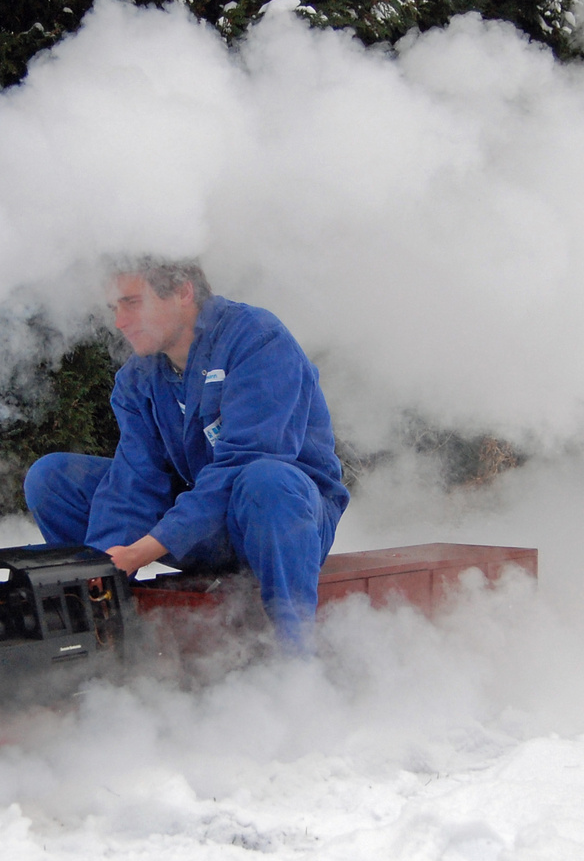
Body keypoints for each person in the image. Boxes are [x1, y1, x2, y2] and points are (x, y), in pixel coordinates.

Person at [24, 259, 349, 651]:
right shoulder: (136, 379)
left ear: (183, 291)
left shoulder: (258, 340)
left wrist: (145, 548)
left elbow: (244, 463)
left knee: (266, 479)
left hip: (278, 519)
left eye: (132, 303)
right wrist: (104, 564)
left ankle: (294, 657)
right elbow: (135, 482)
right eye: (114, 308)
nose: (120, 322)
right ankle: (105, 634)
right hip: (199, 525)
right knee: (52, 477)